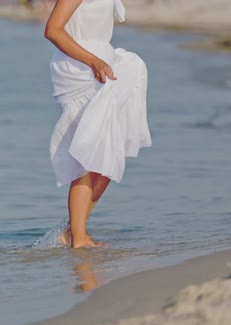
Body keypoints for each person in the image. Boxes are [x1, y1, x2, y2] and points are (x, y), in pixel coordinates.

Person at [44, 0, 152, 248]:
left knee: (107, 157)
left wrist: (101, 61)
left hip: (104, 64)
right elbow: (53, 30)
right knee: (88, 155)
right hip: (79, 68)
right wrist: (93, 61)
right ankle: (79, 239)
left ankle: (74, 232)